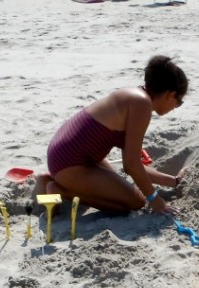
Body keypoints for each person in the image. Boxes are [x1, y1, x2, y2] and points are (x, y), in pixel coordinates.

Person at [38, 55, 188, 215]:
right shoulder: (142, 105)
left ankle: (51, 179)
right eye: (179, 102)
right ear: (170, 95)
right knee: (136, 202)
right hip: (72, 162)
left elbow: (132, 164)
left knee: (119, 188)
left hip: (65, 154)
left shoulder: (133, 96)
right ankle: (62, 191)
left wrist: (173, 181)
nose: (176, 106)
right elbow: (131, 165)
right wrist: (155, 200)